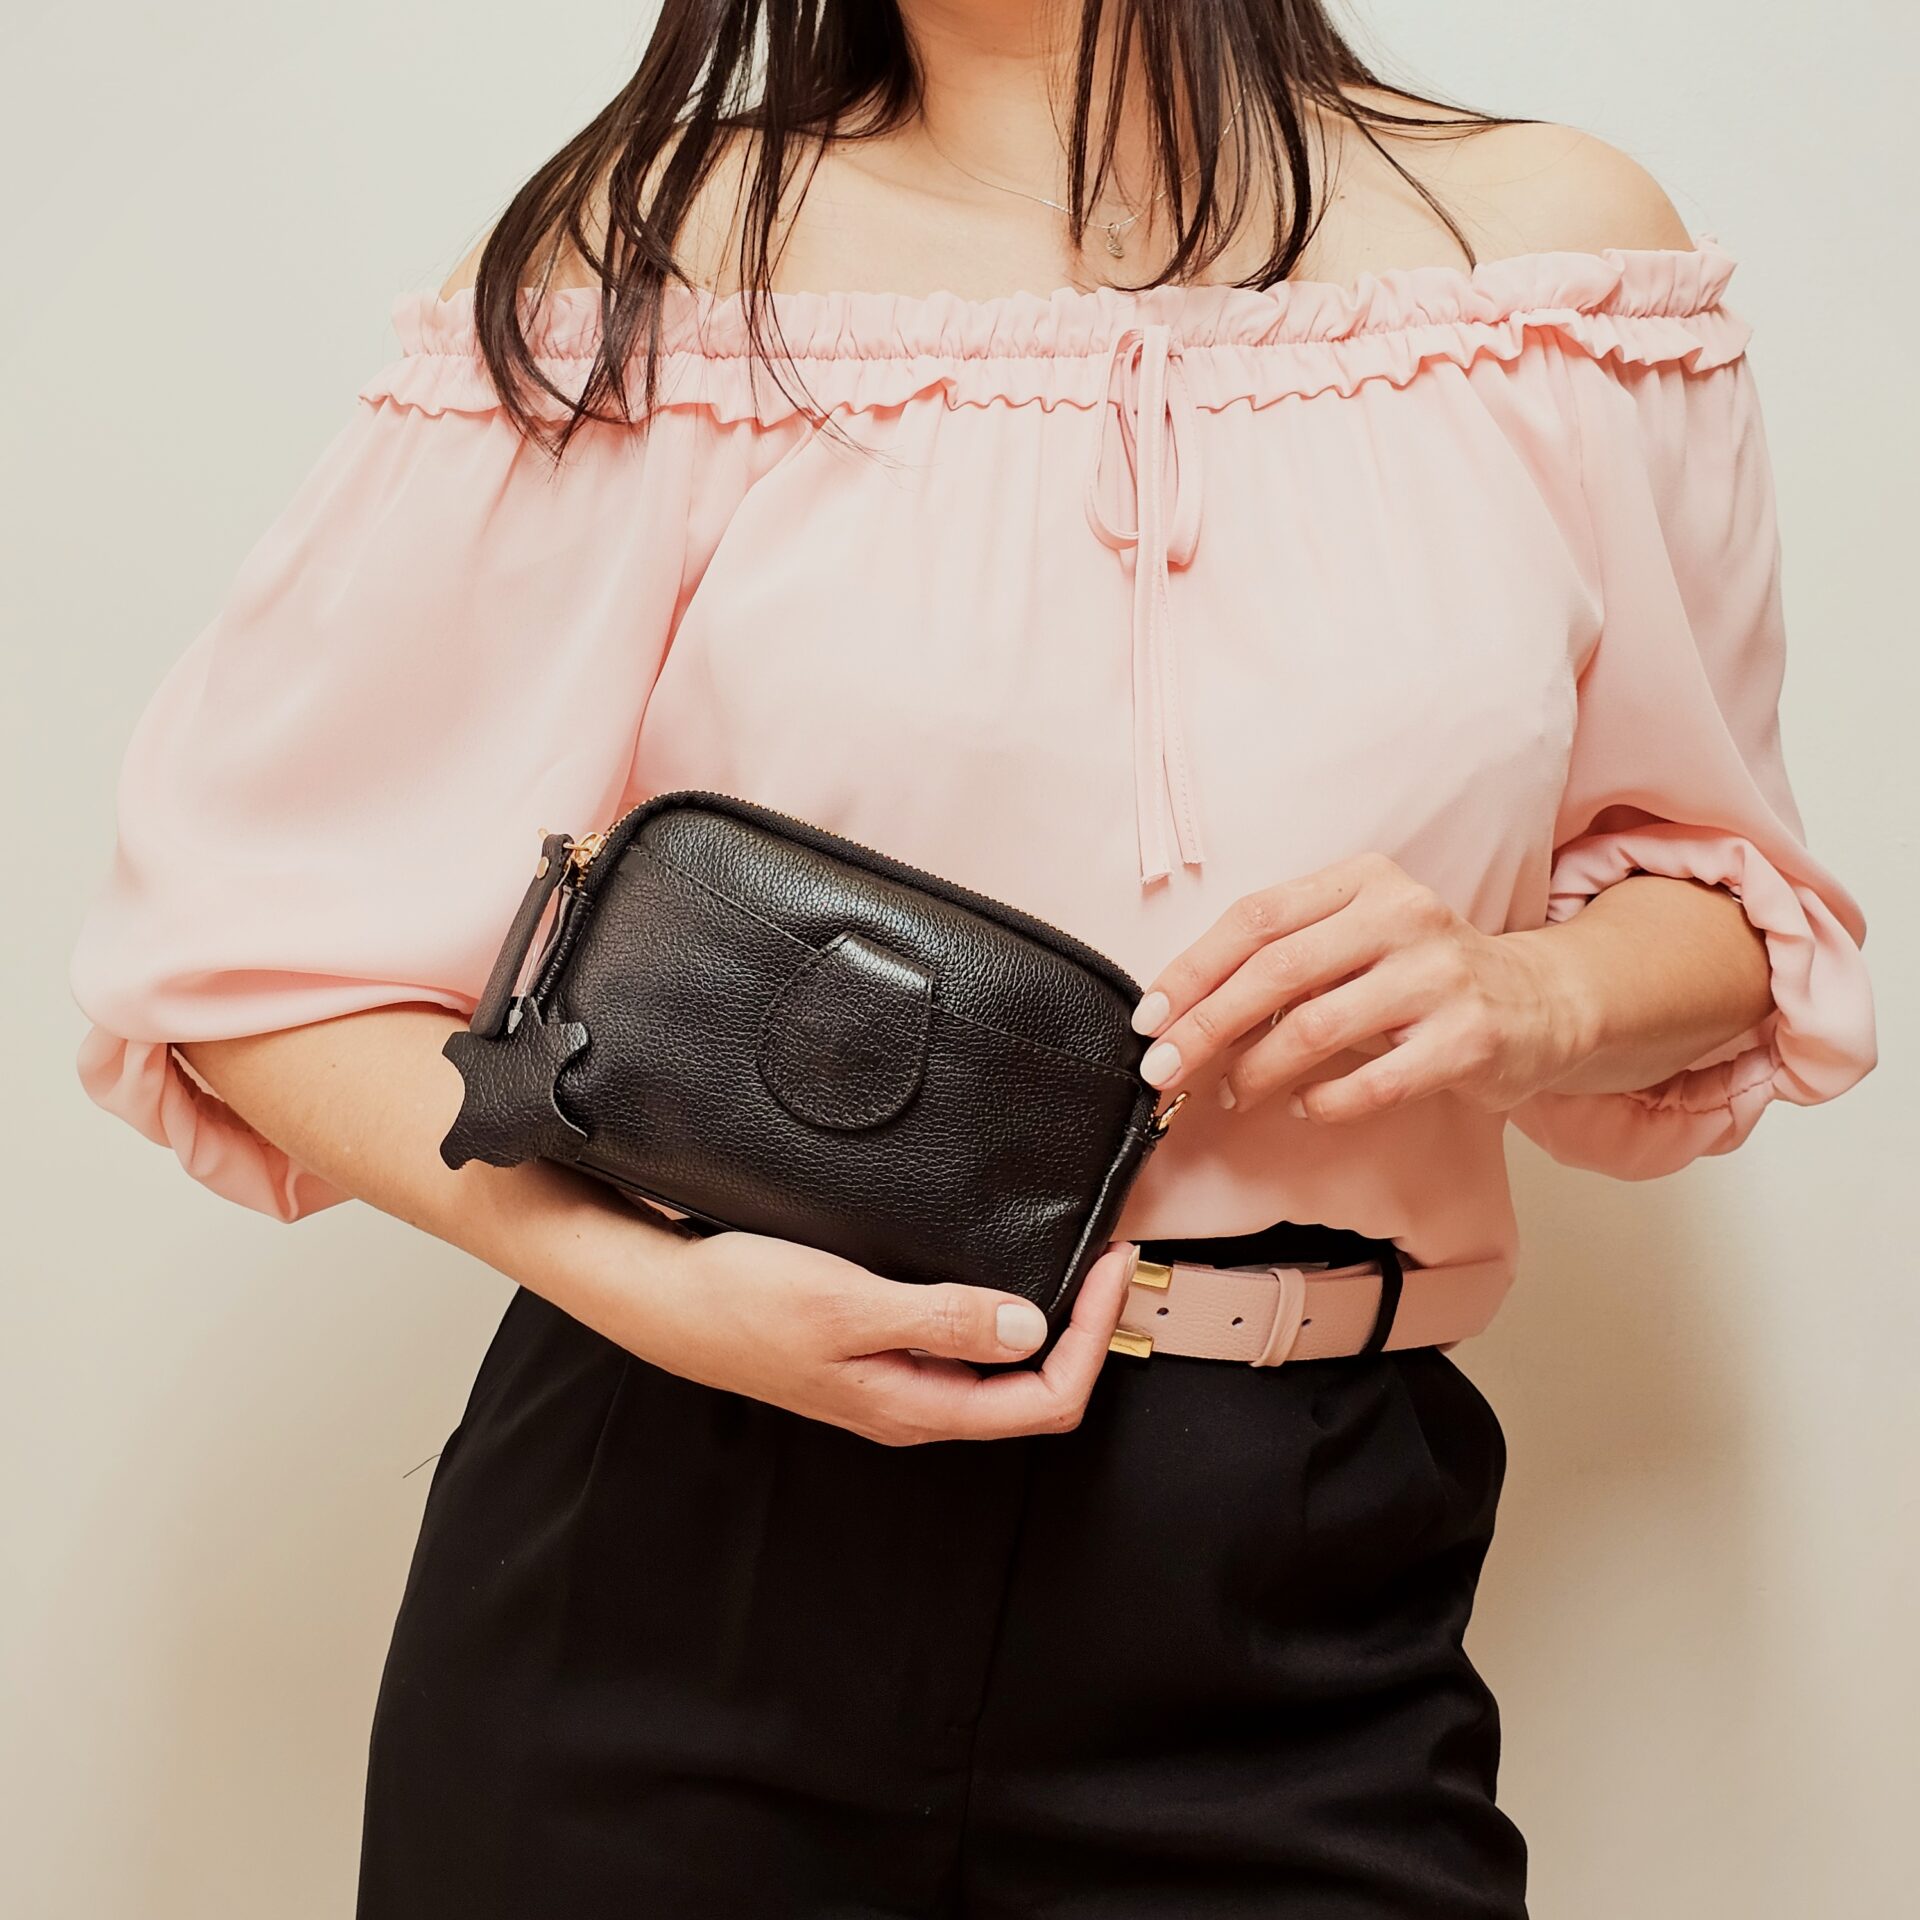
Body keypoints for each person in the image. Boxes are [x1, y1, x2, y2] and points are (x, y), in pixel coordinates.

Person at [67, 3, 1878, 1915]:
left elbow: (1726, 899)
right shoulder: (658, 264)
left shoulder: (1547, 270)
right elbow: (242, 966)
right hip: (679, 1534)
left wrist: (1535, 994)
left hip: (1297, 1571)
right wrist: (648, 1292)